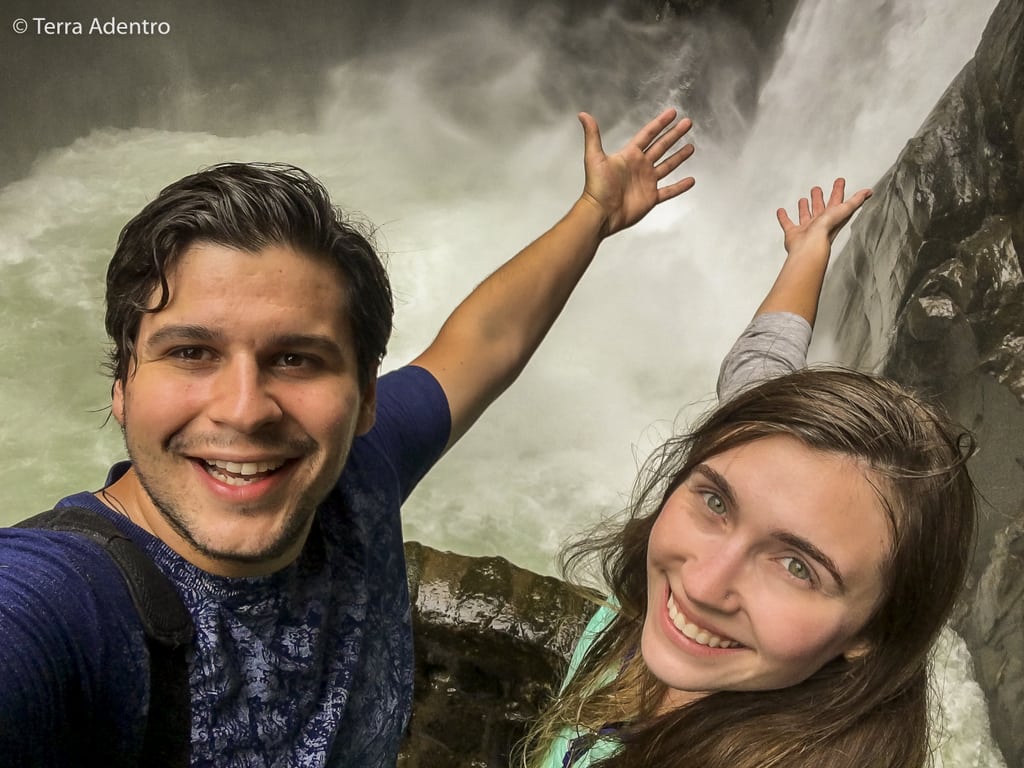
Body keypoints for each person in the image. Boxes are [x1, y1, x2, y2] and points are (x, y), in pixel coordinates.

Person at [0, 109, 696, 766]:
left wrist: (594, 212)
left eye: (295, 358)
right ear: (121, 385)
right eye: (191, 352)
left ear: (365, 396)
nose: (245, 410)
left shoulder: (359, 473)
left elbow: (486, 342)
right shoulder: (66, 602)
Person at [524, 181, 978, 768]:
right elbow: (759, 368)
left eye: (797, 567)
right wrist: (808, 253)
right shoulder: (765, 456)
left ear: (875, 632)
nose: (702, 584)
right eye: (716, 503)